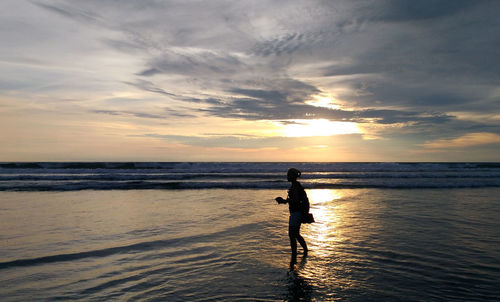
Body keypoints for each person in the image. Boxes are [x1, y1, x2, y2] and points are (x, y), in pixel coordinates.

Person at [276, 168, 309, 266]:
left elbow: (295, 200)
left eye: (288, 175)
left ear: (292, 176)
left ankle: (294, 254)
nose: (287, 176)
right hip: (297, 212)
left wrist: (284, 201)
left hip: (296, 213)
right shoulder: (296, 185)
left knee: (292, 234)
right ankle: (304, 250)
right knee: (296, 234)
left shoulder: (295, 186)